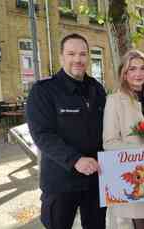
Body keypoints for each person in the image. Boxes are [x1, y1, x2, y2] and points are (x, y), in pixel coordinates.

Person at [26, 33, 107, 229]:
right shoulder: (43, 91)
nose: (77, 59)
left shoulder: (97, 89)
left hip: (95, 180)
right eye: (71, 54)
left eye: (83, 54)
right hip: (60, 182)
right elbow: (42, 135)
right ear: (61, 57)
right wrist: (75, 160)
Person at [103, 49, 144, 229]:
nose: (138, 74)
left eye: (142, 68)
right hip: (134, 174)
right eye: (132, 69)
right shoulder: (114, 100)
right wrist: (141, 153)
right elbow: (109, 142)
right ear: (124, 73)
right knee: (141, 226)